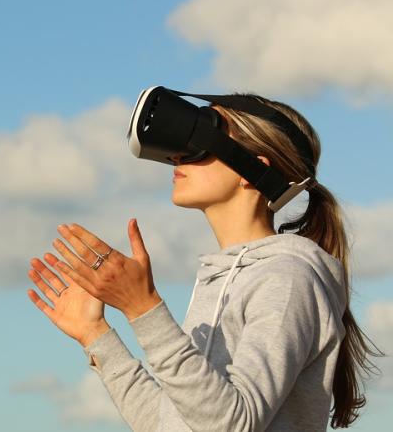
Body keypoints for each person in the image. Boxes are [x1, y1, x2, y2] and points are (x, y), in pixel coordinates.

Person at [26, 94, 382, 431]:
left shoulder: (288, 278)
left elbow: (232, 424)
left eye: (201, 140)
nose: (177, 156)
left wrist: (143, 308)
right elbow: (172, 425)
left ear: (251, 170)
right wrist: (95, 335)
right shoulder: (218, 279)